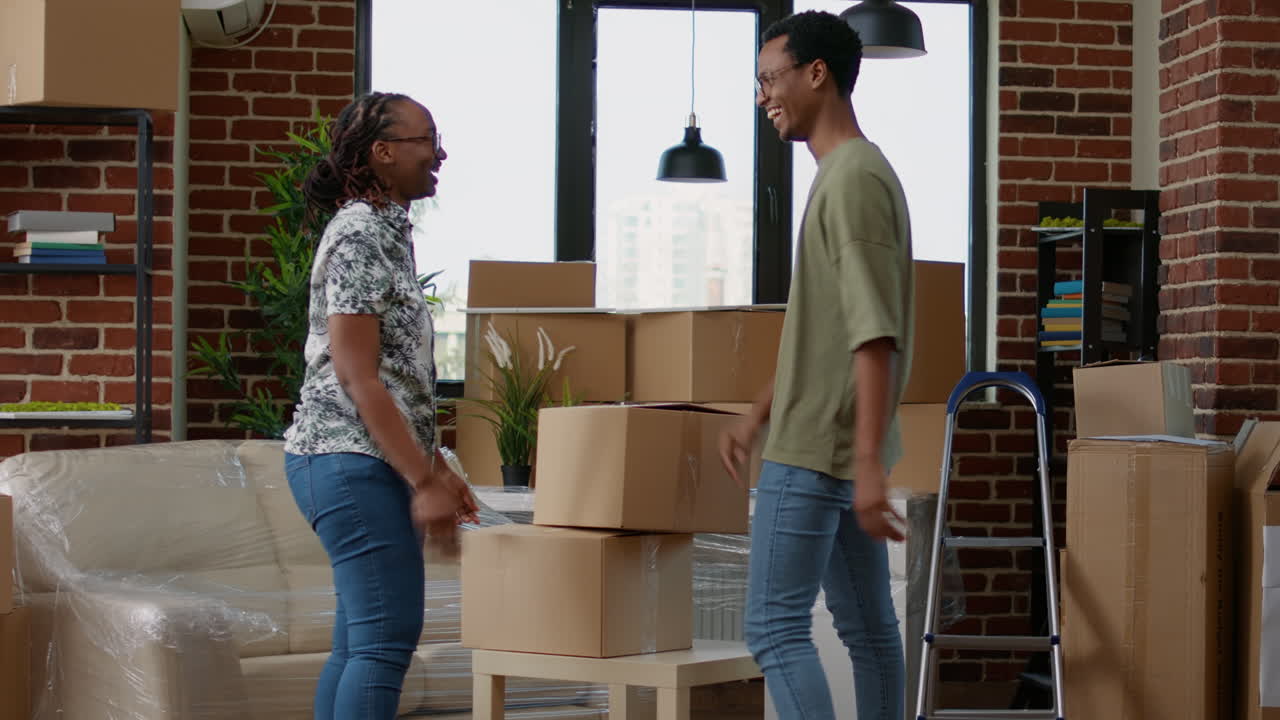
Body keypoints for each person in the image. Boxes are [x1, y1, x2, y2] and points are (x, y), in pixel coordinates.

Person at [719, 11, 915, 720]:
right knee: (868, 632)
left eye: (770, 78)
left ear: (816, 73)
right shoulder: (850, 174)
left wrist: (867, 460)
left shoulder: (851, 181)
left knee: (773, 630)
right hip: (823, 439)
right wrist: (758, 412)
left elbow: (874, 334)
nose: (763, 95)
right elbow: (829, 333)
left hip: (817, 452)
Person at [282, 91, 479, 720]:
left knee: (360, 646)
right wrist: (420, 478)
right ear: (383, 152)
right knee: (385, 644)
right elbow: (357, 375)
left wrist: (437, 464)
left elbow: (398, 377)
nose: (439, 153)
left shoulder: (386, 231)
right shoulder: (361, 233)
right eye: (426, 139)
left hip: (360, 461)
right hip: (347, 459)